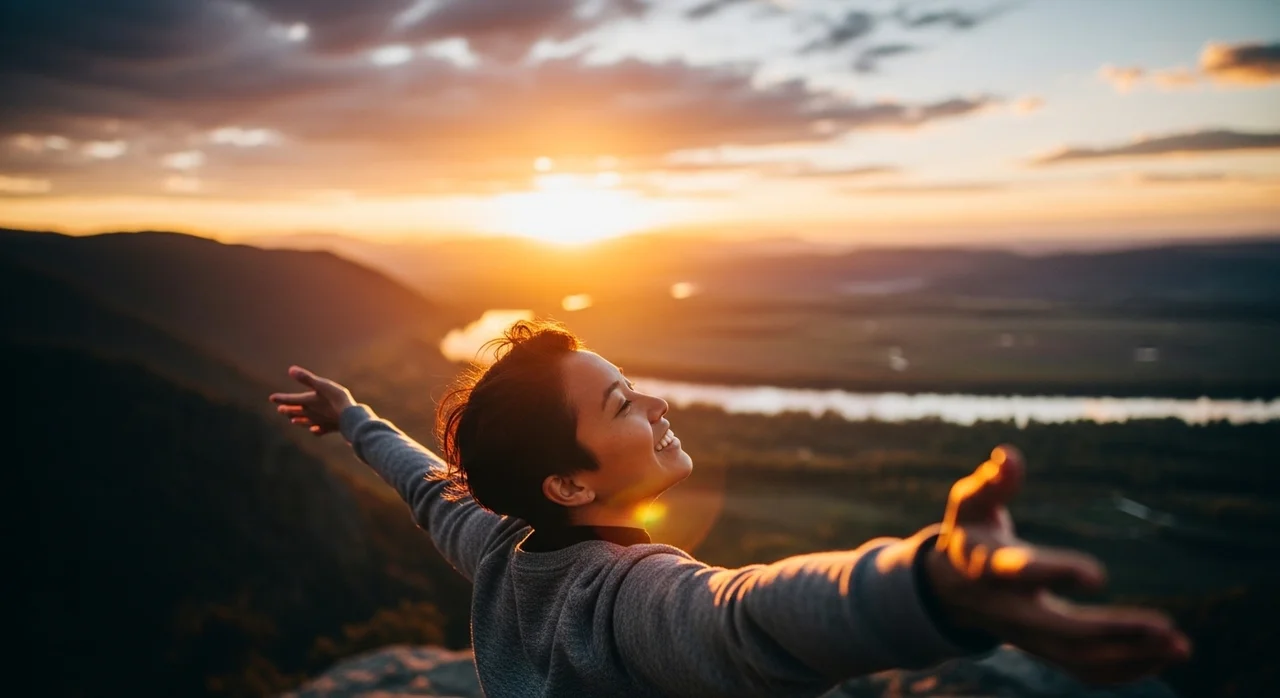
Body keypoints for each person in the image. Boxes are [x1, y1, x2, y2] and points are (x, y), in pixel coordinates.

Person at [270, 320, 1190, 698]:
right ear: (569, 485)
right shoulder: (628, 598)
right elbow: (744, 618)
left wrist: (352, 416)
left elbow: (427, 486)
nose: (659, 405)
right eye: (624, 406)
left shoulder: (504, 546)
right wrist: (934, 588)